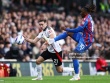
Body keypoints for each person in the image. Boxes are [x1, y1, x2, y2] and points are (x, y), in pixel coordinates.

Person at [46, 4, 96, 80]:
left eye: (82, 12)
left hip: (86, 41)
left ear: (85, 12)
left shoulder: (86, 19)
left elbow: (77, 30)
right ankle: (52, 40)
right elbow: (81, 30)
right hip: (83, 37)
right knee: (68, 33)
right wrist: (67, 30)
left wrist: (66, 28)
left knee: (74, 55)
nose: (80, 13)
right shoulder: (88, 17)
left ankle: (77, 76)